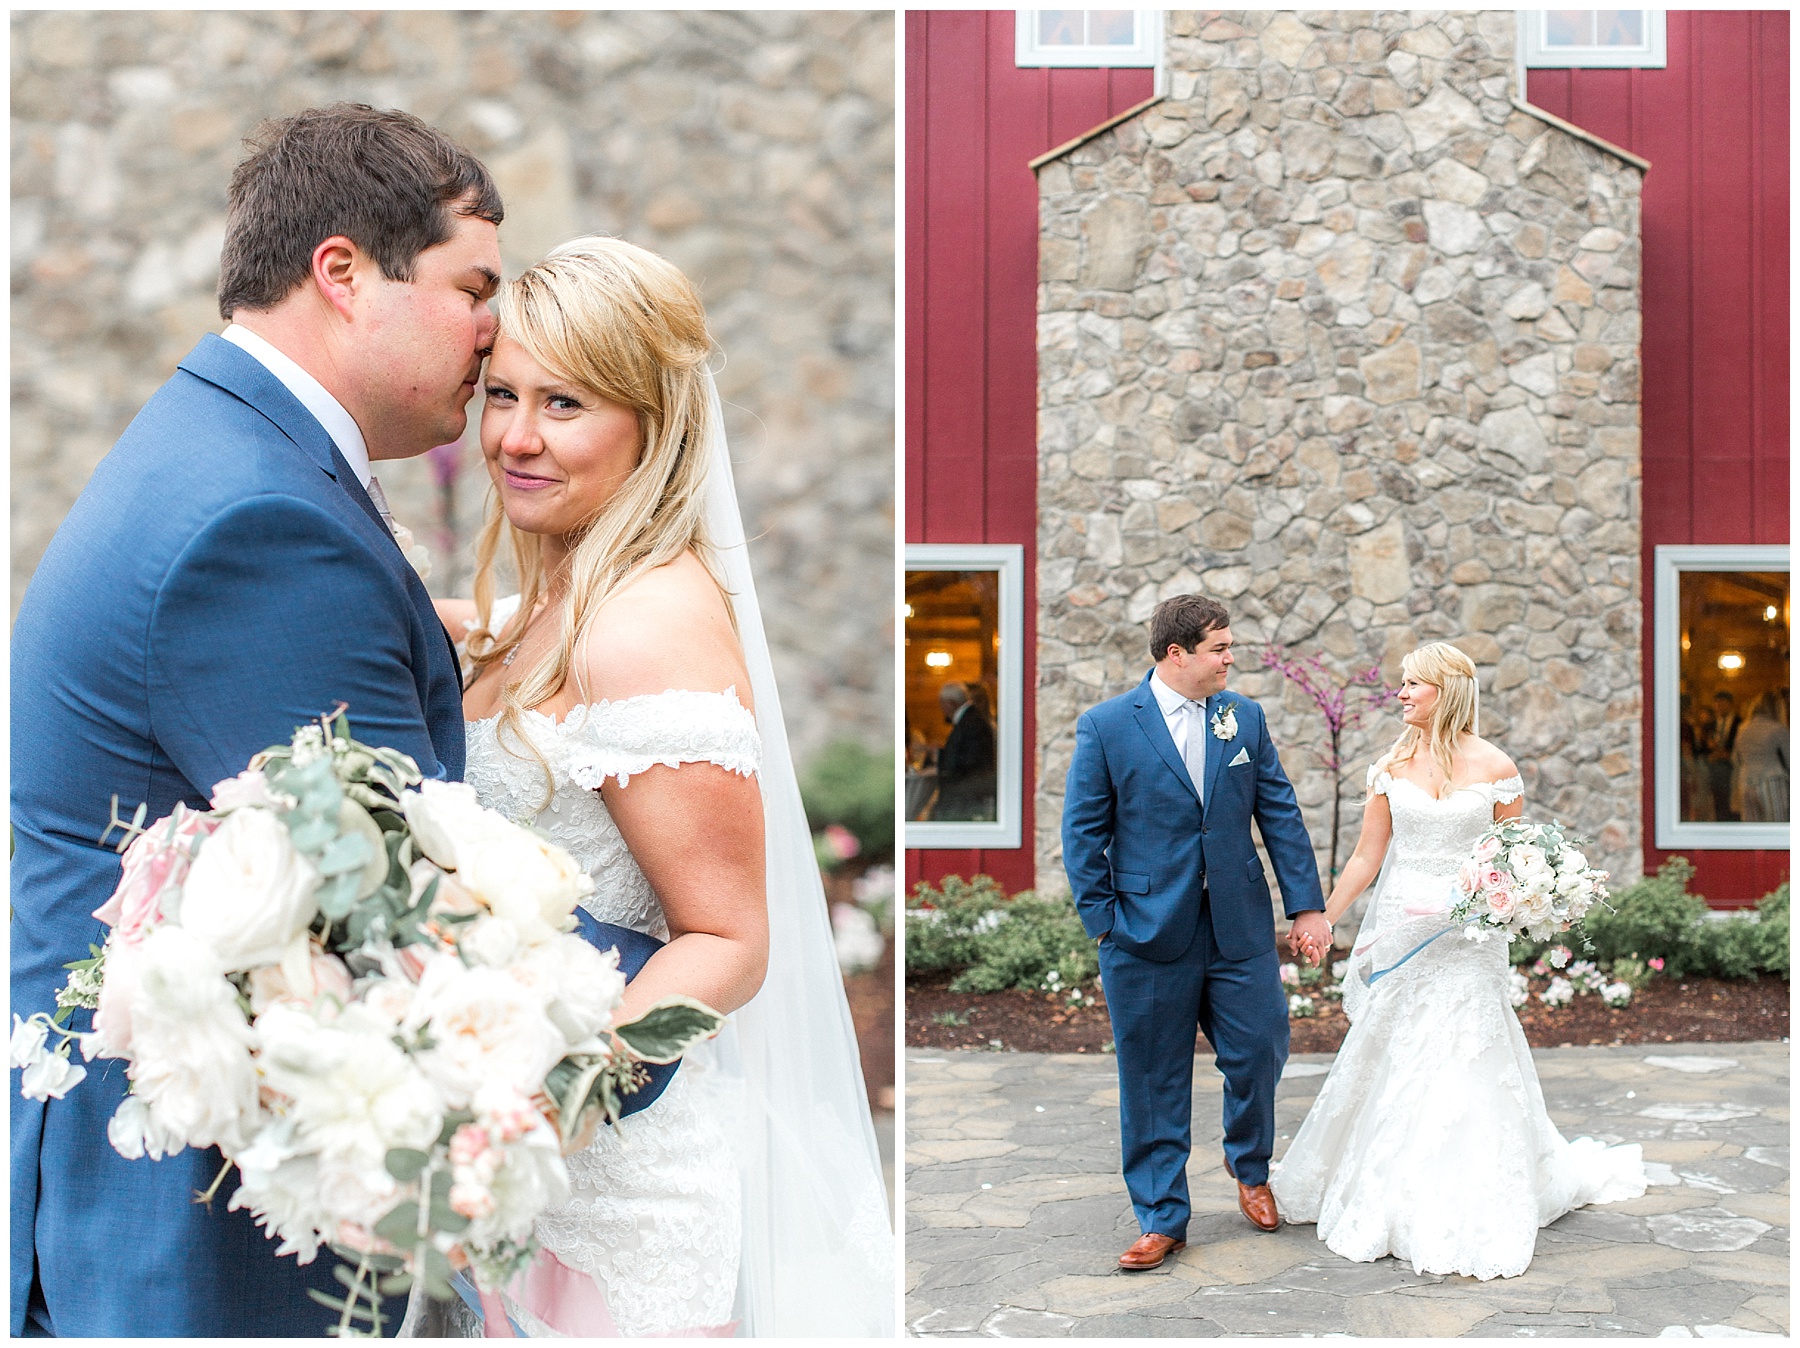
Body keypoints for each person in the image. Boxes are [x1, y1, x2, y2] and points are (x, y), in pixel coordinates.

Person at [10, 105, 501, 1338]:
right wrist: (665, 946)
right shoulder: (261, 525)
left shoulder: (225, 450)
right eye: (472, 286)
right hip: (214, 1236)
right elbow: (393, 919)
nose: (496, 334)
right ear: (342, 272)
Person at [430, 237, 892, 1336]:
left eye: (566, 403)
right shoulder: (567, 599)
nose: (517, 437)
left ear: (651, 421)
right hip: (529, 1186)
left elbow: (726, 941)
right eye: (502, 395)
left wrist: (537, 1105)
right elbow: (537, 678)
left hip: (613, 1192)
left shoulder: (642, 628)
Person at [1269, 642, 1646, 1278]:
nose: (1402, 693)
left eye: (1414, 684)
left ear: (1447, 690)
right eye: (1402, 684)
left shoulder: (1497, 767)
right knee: (1398, 1048)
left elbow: (1513, 857)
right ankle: (1386, 1183)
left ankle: (1469, 1195)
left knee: (1468, 1049)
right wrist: (1327, 916)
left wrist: (1518, 899)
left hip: (1469, 940)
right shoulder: (1391, 764)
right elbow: (1367, 856)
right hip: (1403, 933)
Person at [1060, 594, 1328, 1272]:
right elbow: (1082, 836)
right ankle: (1161, 1217)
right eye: (1219, 648)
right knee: (1151, 1077)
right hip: (1146, 935)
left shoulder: (1244, 719)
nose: (1230, 658)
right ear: (1175, 653)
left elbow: (1282, 815)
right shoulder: (1108, 726)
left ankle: (1250, 1167)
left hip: (1238, 927)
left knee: (1263, 1048)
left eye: (1229, 647)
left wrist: (1306, 907)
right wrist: (1107, 926)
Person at [934, 680, 996, 820]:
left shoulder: (971, 722)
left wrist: (942, 762)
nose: (941, 708)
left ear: (950, 703)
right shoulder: (971, 720)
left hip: (965, 792)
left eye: (942, 703)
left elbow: (970, 758)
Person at [1731, 692, 1789, 822]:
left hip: (1746, 782)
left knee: (1752, 829)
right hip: (1772, 780)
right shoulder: (1778, 729)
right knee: (1776, 825)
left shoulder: (1743, 729)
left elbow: (1735, 758)